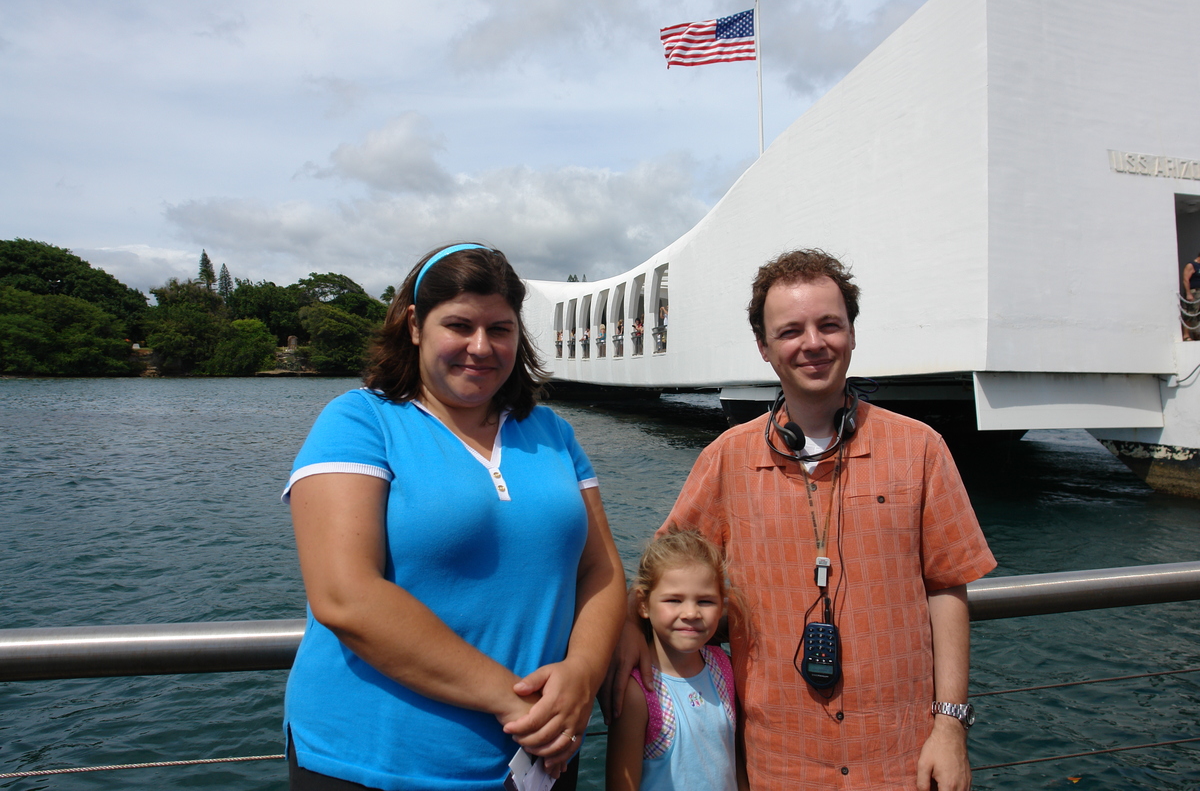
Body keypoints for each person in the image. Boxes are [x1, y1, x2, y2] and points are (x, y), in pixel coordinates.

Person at [605, 249, 996, 791]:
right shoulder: (727, 458)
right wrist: (629, 625)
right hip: (777, 762)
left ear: (853, 334)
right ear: (765, 349)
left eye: (829, 324)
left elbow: (948, 587)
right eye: (790, 331)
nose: (813, 343)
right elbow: (662, 564)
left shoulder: (920, 449)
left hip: (900, 757)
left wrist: (949, 727)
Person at [283, 243, 627, 790]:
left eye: (501, 328)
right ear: (416, 326)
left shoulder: (552, 432)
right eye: (459, 325)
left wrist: (581, 676)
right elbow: (345, 595)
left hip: (539, 758)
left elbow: (603, 571)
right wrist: (520, 704)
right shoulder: (359, 421)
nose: (481, 347)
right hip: (378, 764)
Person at [605, 529, 742, 791]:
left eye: (705, 601)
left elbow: (734, 758)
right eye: (674, 600)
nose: (690, 613)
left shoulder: (723, 667)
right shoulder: (639, 693)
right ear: (643, 605)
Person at [1183, 252, 1200, 341]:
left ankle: (1197, 334)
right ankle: (1186, 335)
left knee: (1198, 315)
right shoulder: (1192, 265)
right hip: (1195, 291)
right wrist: (1188, 293)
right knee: (1191, 312)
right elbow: (1186, 279)